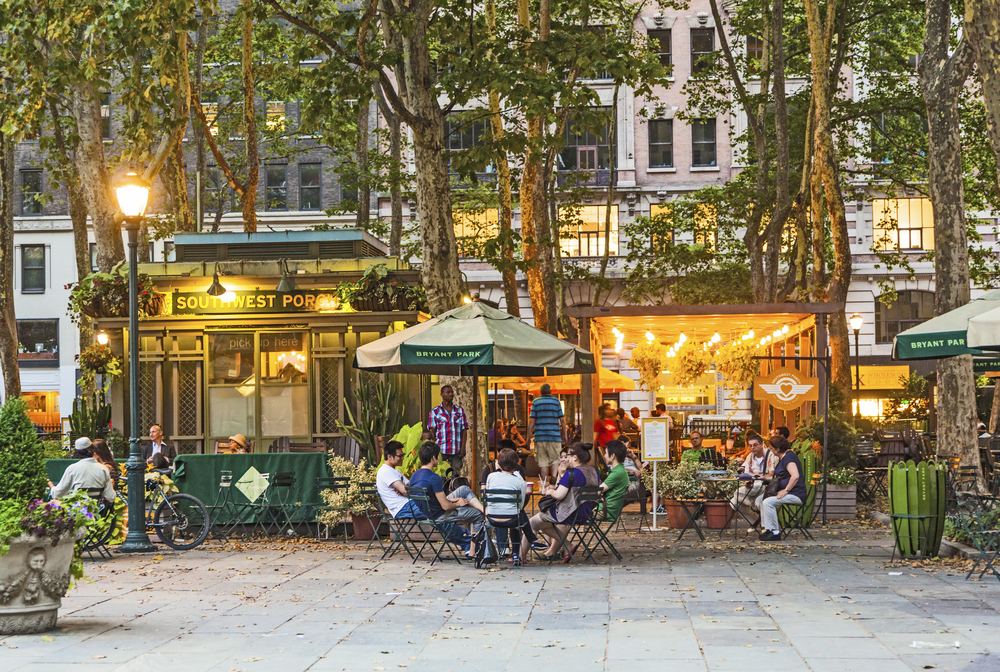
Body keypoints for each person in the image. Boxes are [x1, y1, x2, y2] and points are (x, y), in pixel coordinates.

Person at [409, 441, 484, 556]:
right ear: (434, 457)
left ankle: (484, 509)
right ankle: (472, 552)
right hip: (440, 515)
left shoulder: (415, 475)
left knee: (463, 489)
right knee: (478, 515)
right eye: (438, 455)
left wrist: (453, 500)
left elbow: (434, 498)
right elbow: (446, 506)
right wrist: (458, 503)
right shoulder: (434, 478)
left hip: (429, 512)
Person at [521, 443, 592, 560]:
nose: (566, 458)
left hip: (568, 513)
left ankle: (521, 557)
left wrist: (550, 492)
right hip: (586, 513)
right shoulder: (594, 471)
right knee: (543, 526)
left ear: (575, 457)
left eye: (568, 455)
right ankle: (566, 545)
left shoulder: (572, 473)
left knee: (531, 523)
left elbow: (559, 495)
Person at [484, 448, 538, 566]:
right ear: (517, 463)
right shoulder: (520, 481)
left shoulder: (491, 476)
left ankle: (516, 548)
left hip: (492, 517)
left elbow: (487, 495)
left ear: (499, 462)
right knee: (518, 514)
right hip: (512, 518)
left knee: (517, 513)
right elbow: (522, 502)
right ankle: (519, 550)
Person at [757, 435, 807, 541]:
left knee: (768, 502)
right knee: (762, 500)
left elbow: (795, 476)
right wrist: (763, 478)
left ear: (777, 449)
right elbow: (778, 478)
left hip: (796, 494)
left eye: (771, 448)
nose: (770, 450)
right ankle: (768, 530)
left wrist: (786, 490)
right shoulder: (783, 457)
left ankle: (775, 532)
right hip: (789, 493)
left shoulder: (789, 457)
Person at [730, 434, 777, 529]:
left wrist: (761, 477)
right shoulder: (749, 457)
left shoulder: (771, 455)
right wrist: (747, 483)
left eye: (755, 445)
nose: (753, 448)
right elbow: (747, 475)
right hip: (754, 487)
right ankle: (756, 520)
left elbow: (772, 475)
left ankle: (766, 527)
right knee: (733, 502)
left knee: (760, 501)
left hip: (767, 487)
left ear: (762, 444)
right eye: (750, 445)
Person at [49, 438, 115, 503]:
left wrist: (50, 484)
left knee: (53, 502)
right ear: (93, 450)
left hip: (77, 511)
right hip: (96, 511)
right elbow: (111, 497)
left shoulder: (72, 468)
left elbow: (57, 494)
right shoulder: (103, 469)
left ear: (77, 452)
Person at [425, 385, 469, 476]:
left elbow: (464, 430)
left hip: (456, 450)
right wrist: (433, 447)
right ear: (442, 394)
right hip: (441, 450)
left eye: (452, 392)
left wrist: (463, 448)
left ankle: (454, 490)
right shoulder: (435, 412)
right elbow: (432, 431)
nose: (451, 394)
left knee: (456, 474)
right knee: (442, 474)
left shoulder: (460, 411)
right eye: (448, 392)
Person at [528, 383, 567, 484]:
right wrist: (565, 435)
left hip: (540, 437)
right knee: (555, 460)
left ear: (540, 392)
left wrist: (528, 437)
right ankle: (554, 478)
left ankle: (544, 484)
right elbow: (562, 420)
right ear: (550, 391)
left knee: (543, 462)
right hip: (554, 437)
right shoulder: (556, 402)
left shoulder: (535, 402)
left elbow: (531, 420)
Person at [376, 440, 423, 520]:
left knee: (442, 509)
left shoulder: (395, 471)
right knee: (438, 509)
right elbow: (406, 490)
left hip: (410, 504)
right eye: (400, 456)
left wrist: (405, 489)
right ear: (389, 457)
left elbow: (409, 486)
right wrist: (405, 489)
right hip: (403, 508)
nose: (403, 458)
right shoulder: (385, 471)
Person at [598, 440, 630, 523]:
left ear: (612, 456)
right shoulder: (620, 470)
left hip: (603, 511)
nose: (604, 456)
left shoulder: (617, 473)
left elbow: (598, 491)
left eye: (605, 453)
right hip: (607, 509)